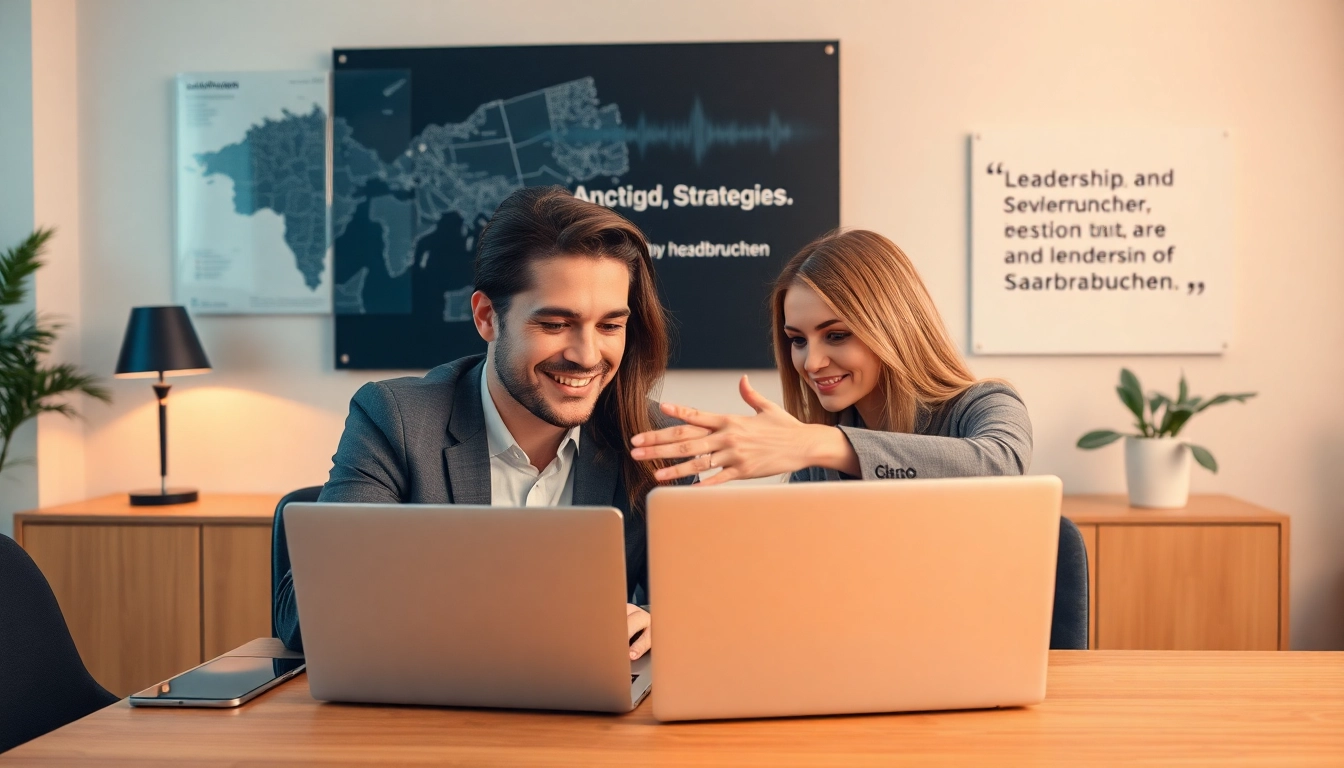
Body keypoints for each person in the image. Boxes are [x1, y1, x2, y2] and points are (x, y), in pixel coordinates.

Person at [275, 186, 687, 657]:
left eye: (610, 326)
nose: (588, 355)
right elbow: (303, 615)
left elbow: (694, 607)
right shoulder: (396, 418)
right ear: (488, 317)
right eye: (554, 325)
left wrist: (664, 619)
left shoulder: (654, 439)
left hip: (592, 714)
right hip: (436, 712)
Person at [629, 229, 1031, 484]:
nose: (811, 362)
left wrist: (817, 443)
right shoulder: (818, 450)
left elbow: (1001, 466)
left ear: (892, 327)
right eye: (797, 340)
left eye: (836, 335)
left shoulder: (985, 403)